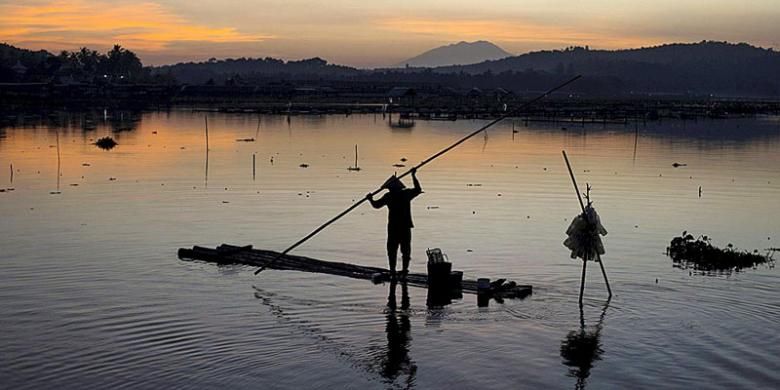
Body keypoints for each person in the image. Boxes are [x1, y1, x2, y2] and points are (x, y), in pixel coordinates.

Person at [367, 168, 422, 279]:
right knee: (402, 249)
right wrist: (413, 175)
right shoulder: (404, 194)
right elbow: (418, 189)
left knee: (394, 249)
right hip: (403, 226)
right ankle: (401, 270)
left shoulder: (391, 196)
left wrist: (370, 199)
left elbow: (376, 205)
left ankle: (396, 270)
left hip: (396, 227)